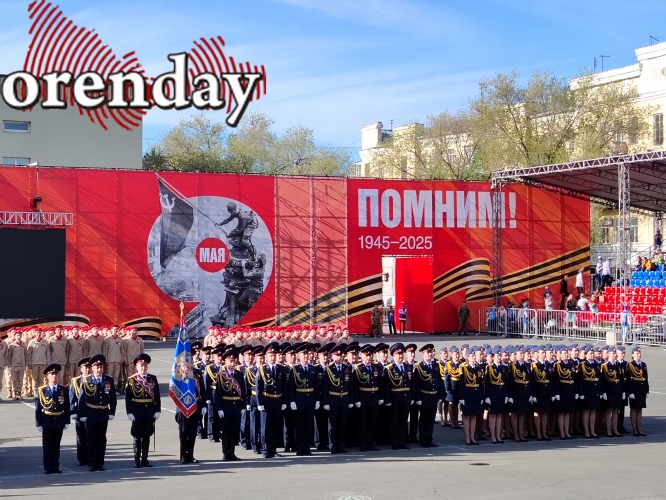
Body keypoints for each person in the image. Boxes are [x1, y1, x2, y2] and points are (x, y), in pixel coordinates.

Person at [78, 354, 117, 472]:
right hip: (91, 413)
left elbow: (113, 398)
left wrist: (111, 412)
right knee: (91, 439)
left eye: (101, 367)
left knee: (101, 439)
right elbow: (81, 399)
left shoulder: (108, 380)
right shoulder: (87, 380)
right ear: (92, 368)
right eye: (97, 367)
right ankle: (92, 463)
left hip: (103, 413)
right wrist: (82, 414)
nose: (99, 369)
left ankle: (100, 462)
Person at [125, 353, 161, 468]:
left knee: (146, 436)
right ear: (137, 366)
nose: (143, 367)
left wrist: (157, 410)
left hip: (149, 411)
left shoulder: (152, 378)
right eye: (141, 365)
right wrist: (129, 412)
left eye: (145, 365)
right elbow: (128, 398)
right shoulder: (132, 380)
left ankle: (145, 459)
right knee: (137, 436)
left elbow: (157, 396)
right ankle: (136, 459)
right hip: (137, 412)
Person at [35, 363, 71, 474]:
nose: (54, 376)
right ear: (47, 376)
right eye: (52, 374)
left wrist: (67, 421)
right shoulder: (42, 390)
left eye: (56, 374)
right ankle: (48, 467)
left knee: (56, 445)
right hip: (47, 421)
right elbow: (38, 408)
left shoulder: (63, 389)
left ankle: (55, 466)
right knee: (47, 445)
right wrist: (38, 423)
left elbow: (66, 406)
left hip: (59, 420)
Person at [256, 342, 287, 458]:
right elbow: (258, 387)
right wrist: (259, 403)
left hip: (277, 401)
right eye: (271, 355)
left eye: (274, 355)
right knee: (265, 427)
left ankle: (273, 450)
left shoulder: (281, 368)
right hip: (266, 400)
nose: (273, 358)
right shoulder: (262, 369)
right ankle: (265, 450)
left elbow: (284, 386)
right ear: (266, 356)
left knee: (275, 427)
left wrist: (284, 401)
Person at [215, 348, 246, 461]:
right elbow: (217, 393)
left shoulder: (239, 374)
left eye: (234, 361)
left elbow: (243, 391)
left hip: (236, 406)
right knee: (226, 431)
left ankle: (232, 452)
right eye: (230, 361)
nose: (233, 364)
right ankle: (225, 452)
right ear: (226, 361)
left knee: (234, 430)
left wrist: (243, 406)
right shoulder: (221, 375)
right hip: (226, 406)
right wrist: (219, 408)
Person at [289, 343, 319, 456]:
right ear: (299, 356)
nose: (306, 356)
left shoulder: (313, 369)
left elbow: (316, 386)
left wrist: (317, 400)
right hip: (299, 400)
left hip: (310, 399)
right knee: (299, 426)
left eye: (307, 354)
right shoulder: (294, 370)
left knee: (308, 425)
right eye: (303, 354)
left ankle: (307, 448)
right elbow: (291, 387)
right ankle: (300, 448)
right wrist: (292, 400)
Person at [322, 343, 353, 454]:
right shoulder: (328, 369)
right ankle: (332, 445)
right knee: (332, 425)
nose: (339, 357)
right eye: (337, 355)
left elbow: (350, 386)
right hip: (333, 400)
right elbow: (325, 387)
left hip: (343, 399)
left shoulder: (347, 368)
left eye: (341, 355)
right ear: (332, 356)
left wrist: (350, 400)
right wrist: (325, 402)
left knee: (341, 424)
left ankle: (339, 445)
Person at [383, 343, 414, 450]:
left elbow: (411, 385)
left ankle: (402, 442)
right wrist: (388, 400)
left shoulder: (407, 367)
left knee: (403, 421)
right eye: (398, 354)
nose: (400, 356)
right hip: (395, 399)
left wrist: (411, 397)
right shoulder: (389, 369)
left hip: (405, 399)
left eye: (401, 354)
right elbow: (386, 386)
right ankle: (394, 442)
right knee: (394, 422)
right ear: (393, 355)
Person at [353, 344, 382, 452]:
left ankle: (371, 442)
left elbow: (380, 383)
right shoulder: (358, 369)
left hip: (373, 399)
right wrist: (357, 400)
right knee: (362, 423)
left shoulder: (376, 367)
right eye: (366, 355)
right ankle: (363, 443)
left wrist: (381, 397)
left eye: (370, 355)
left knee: (372, 422)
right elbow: (355, 386)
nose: (369, 357)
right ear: (361, 356)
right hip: (363, 399)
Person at [414, 344, 442, 448]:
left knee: (431, 420)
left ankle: (429, 439)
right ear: (423, 354)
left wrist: (440, 395)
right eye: (427, 352)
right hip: (424, 396)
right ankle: (423, 440)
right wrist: (418, 398)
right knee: (424, 420)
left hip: (433, 397)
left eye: (431, 352)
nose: (430, 354)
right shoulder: (419, 367)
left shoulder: (435, 365)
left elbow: (439, 381)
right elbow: (416, 384)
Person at [458, 347, 484, 446]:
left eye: (474, 356)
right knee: (467, 417)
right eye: (472, 356)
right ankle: (467, 438)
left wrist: (481, 396)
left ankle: (472, 437)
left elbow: (481, 384)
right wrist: (461, 398)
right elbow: (460, 384)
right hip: (467, 395)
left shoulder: (478, 368)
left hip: (476, 395)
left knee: (474, 417)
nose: (473, 358)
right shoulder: (463, 368)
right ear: (467, 357)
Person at [69, 357, 91, 466]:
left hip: (91, 411)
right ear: (81, 369)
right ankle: (81, 458)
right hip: (79, 412)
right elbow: (72, 397)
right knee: (81, 437)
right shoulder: (76, 381)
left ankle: (91, 457)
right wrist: (73, 411)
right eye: (85, 367)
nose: (87, 369)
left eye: (89, 367)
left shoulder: (93, 379)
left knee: (91, 436)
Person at [484, 347, 508, 444]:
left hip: (501, 395)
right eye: (497, 356)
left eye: (500, 355)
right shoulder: (489, 368)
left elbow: (506, 383)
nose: (499, 357)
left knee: (499, 415)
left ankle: (498, 435)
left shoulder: (504, 368)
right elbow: (487, 384)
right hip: (493, 395)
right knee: (493, 415)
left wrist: (506, 395)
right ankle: (493, 435)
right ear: (493, 357)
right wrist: (487, 396)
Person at [577, 346, 601, 439]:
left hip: (595, 391)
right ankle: (586, 431)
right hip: (586, 391)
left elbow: (599, 379)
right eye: (590, 353)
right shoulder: (582, 365)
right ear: (586, 355)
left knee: (593, 411)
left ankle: (592, 430)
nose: (592, 355)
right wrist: (581, 393)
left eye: (592, 353)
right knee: (586, 411)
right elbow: (580, 380)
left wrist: (599, 391)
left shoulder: (596, 364)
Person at [601, 347, 624, 438]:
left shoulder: (618, 365)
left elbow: (621, 379)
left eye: (615, 353)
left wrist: (622, 391)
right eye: (613, 353)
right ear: (609, 354)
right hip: (609, 390)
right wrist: (604, 392)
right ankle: (608, 430)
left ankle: (615, 429)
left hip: (617, 390)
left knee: (615, 410)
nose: (614, 355)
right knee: (609, 411)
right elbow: (603, 380)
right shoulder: (605, 366)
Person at [627, 346, 649, 436]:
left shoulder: (643, 365)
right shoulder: (630, 365)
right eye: (637, 353)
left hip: (641, 390)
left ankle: (639, 429)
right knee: (634, 409)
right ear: (632, 355)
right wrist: (630, 392)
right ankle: (635, 429)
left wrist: (647, 391)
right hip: (634, 390)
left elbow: (646, 378)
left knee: (640, 410)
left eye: (639, 353)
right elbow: (628, 380)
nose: (639, 355)